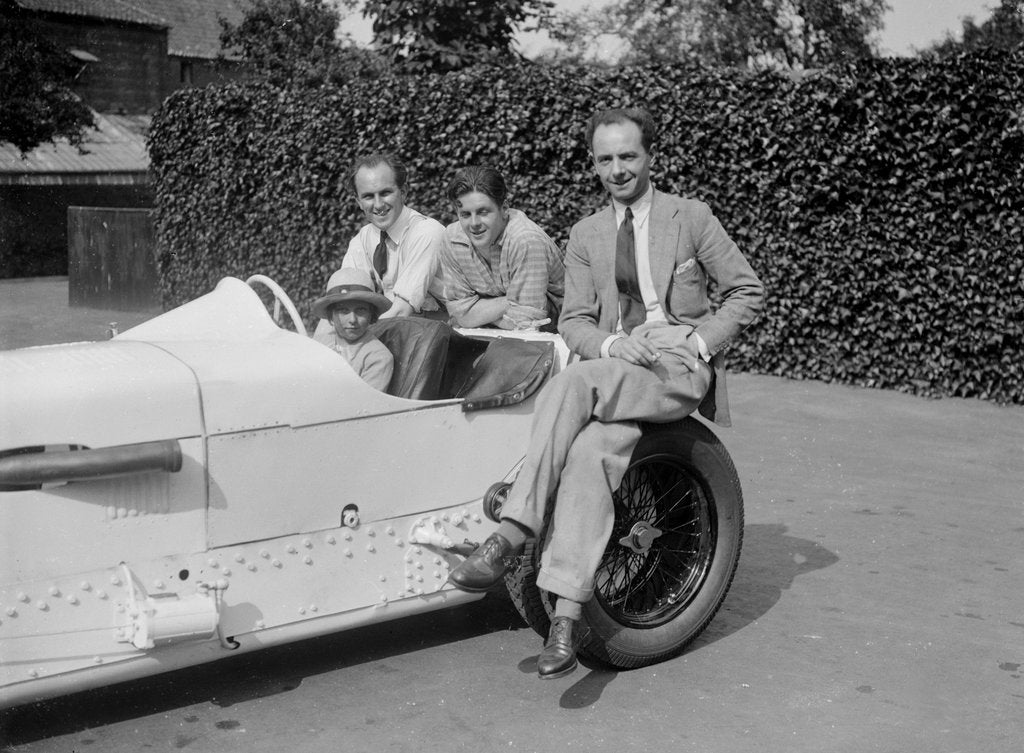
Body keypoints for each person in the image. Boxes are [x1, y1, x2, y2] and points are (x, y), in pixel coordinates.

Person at [448, 107, 765, 679]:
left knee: (572, 381)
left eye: (628, 156)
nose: (617, 170)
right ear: (593, 164)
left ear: (650, 156)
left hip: (672, 365)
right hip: (619, 364)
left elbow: (746, 290)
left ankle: (513, 528)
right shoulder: (585, 234)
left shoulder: (689, 217)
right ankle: (568, 620)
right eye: (605, 159)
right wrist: (614, 348)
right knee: (594, 454)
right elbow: (572, 322)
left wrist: (697, 341)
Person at [325, 153, 445, 326]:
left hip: (444, 330)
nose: (378, 204)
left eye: (385, 193)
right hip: (401, 326)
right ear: (358, 201)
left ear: (403, 192)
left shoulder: (426, 232)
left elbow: (402, 311)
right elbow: (343, 298)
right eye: (368, 196)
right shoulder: (363, 238)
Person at [439, 166, 565, 330]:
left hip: (557, 332)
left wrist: (476, 312)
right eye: (465, 214)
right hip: (494, 333)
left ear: (504, 208)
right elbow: (458, 314)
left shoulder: (525, 240)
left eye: (483, 212)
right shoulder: (452, 238)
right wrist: (509, 302)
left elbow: (528, 324)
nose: (474, 223)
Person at [312, 268, 395, 392]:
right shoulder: (321, 343)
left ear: (371, 314)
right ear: (331, 315)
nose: (353, 319)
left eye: (361, 310)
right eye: (343, 311)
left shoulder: (378, 357)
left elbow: (364, 406)